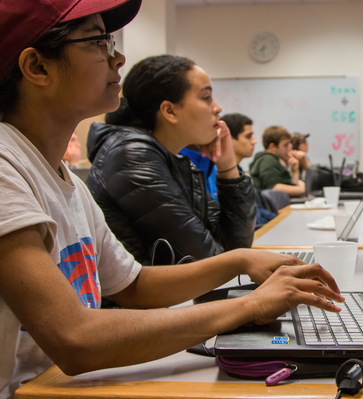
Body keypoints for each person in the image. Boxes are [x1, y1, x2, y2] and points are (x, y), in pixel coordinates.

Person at [0, 0, 343, 399]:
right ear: (37, 68)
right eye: (98, 42)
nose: (118, 57)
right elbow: (73, 337)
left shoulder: (60, 175)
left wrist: (239, 261)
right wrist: (248, 305)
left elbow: (133, 284)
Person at [85, 55, 258, 265]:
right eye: (206, 97)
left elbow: (235, 247)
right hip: (147, 299)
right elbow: (207, 261)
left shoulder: (171, 160)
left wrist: (228, 167)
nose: (218, 108)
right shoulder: (132, 155)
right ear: (169, 110)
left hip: (175, 297)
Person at [222, 113, 277, 227]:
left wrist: (278, 222)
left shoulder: (240, 172)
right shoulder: (220, 177)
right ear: (229, 139)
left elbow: (258, 211)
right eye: (248, 136)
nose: (254, 141)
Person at [249, 125, 306, 196]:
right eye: (285, 145)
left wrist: (295, 171)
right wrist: (303, 189)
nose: (289, 147)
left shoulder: (273, 159)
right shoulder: (267, 159)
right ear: (272, 146)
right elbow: (273, 187)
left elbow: (292, 187)